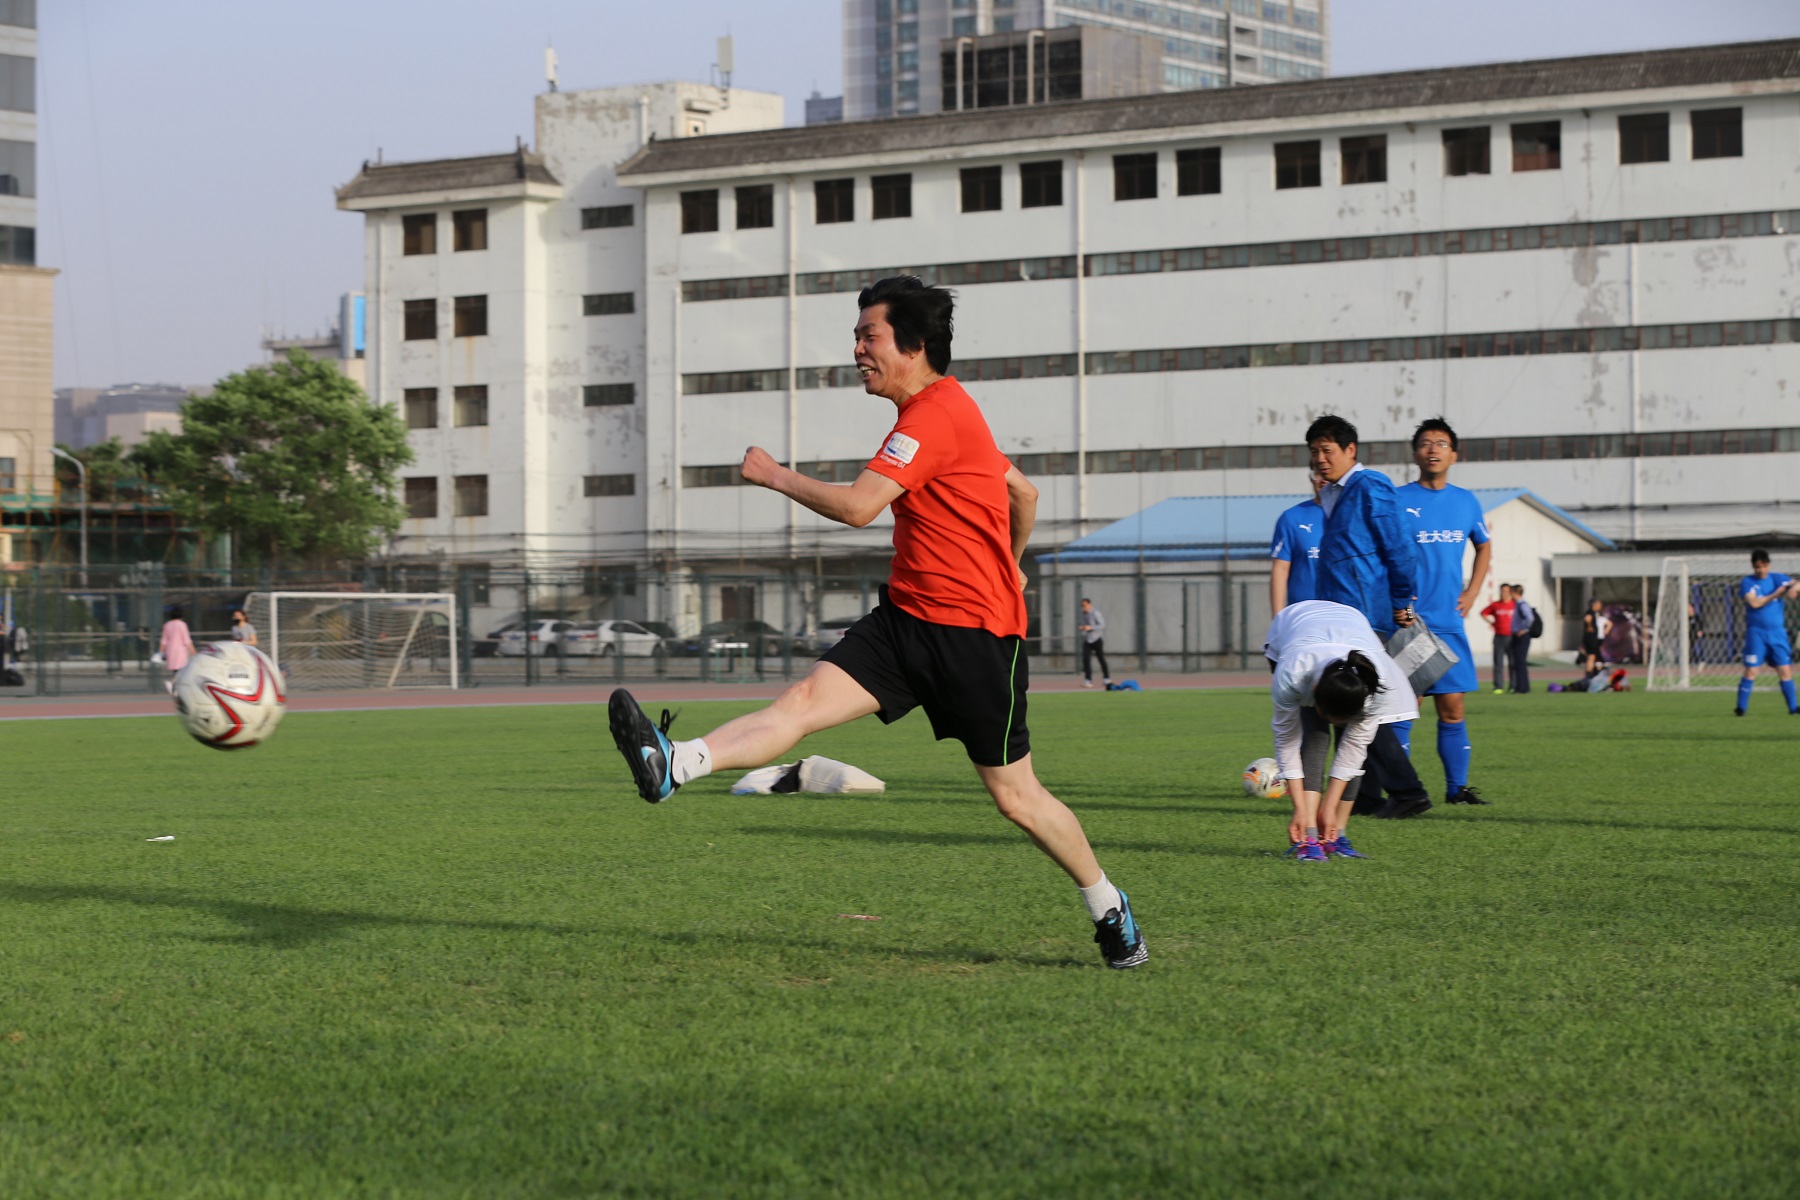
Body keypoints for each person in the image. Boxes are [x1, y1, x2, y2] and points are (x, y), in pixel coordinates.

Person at [606, 275, 1147, 969]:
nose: (857, 349)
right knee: (800, 703)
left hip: (976, 639)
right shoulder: (946, 414)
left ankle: (1109, 906)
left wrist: (774, 475)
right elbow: (1024, 491)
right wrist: (1012, 560)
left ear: (914, 346)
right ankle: (675, 763)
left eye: (870, 336)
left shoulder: (934, 417)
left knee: (1017, 798)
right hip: (905, 621)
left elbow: (861, 508)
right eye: (856, 336)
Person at [1306, 414, 1432, 820]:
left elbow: (1400, 546)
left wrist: (1401, 599)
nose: (1320, 459)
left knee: (1356, 705)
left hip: (1365, 616)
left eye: (1327, 450)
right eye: (1314, 452)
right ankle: (1364, 796)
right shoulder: (1336, 493)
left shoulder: (1369, 486)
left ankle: (1408, 792)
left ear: (1350, 450)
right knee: (1346, 705)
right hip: (1343, 616)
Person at [1265, 600, 1418, 861]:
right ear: (1315, 693)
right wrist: (1300, 810)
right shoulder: (1293, 674)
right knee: (1315, 735)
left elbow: (1353, 751)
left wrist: (1330, 808)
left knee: (1354, 747)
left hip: (1350, 624)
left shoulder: (1375, 685)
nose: (1341, 726)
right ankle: (1309, 838)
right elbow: (1287, 742)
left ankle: (1336, 835)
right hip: (1293, 626)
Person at [1396, 418, 1494, 806]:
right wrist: (1394, 601)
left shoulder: (1466, 502)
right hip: (1410, 624)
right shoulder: (1397, 500)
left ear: (1454, 454)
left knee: (1453, 709)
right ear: (1415, 453)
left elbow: (1484, 545)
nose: (1432, 449)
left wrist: (1472, 591)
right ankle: (1400, 791)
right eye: (1425, 443)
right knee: (1403, 711)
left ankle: (1457, 790)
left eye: (1441, 443)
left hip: (1449, 624)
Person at [1735, 549, 1800, 716]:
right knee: (1751, 671)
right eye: (1757, 567)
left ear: (1768, 565)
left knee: (1784, 670)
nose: (1761, 570)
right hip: (1756, 633)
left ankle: (1793, 708)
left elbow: (1795, 584)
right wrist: (1776, 594)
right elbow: (1754, 603)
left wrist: (1794, 588)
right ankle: (1741, 708)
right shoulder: (1748, 582)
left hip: (1777, 633)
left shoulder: (1777, 578)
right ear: (1753, 566)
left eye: (1763, 566)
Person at [1268, 480, 1324, 613]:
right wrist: (1278, 619)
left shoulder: (1355, 516)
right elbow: (1280, 569)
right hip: (1303, 615)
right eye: (1318, 472)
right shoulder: (1292, 518)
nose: (1323, 478)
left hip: (1347, 616)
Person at [1480, 585, 1517, 694]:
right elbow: (1483, 613)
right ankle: (1498, 686)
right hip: (1499, 637)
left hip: (1512, 637)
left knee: (1513, 662)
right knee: (1498, 663)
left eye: (1505, 591)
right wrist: (1492, 623)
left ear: (1510, 592)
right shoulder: (1496, 605)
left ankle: (1513, 686)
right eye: (1502, 591)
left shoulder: (1515, 605)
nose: (1503, 593)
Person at [159, 606, 196, 694]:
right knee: (183, 670)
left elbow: (164, 640)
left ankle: (176, 689)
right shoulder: (182, 624)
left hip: (170, 651)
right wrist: (193, 651)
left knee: (176, 671)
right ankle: (172, 684)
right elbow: (186, 640)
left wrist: (160, 652)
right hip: (180, 651)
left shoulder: (167, 625)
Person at [1077, 597, 1110, 688]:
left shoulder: (1096, 613)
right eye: (1082, 606)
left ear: (1089, 605)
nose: (1083, 607)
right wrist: (1083, 627)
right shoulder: (1084, 614)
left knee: (1101, 658)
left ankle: (1106, 678)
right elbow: (1087, 625)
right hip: (1088, 639)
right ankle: (1088, 680)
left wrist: (1091, 627)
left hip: (1097, 639)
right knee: (1085, 659)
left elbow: (1102, 625)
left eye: (1084, 605)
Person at [1509, 585, 1536, 694]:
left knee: (1520, 662)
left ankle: (1522, 687)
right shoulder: (1518, 605)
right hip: (1517, 635)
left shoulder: (1522, 605)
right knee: (1518, 662)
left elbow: (1530, 618)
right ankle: (1521, 686)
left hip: (1522, 636)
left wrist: (1524, 629)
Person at [1580, 599, 1608, 675]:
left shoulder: (1594, 613)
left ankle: (1592, 671)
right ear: (1593, 605)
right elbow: (1587, 618)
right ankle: (1589, 672)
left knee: (1592, 655)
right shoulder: (1591, 612)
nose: (1600, 606)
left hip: (1590, 637)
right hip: (1591, 637)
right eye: (1598, 604)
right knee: (1592, 655)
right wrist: (1589, 626)